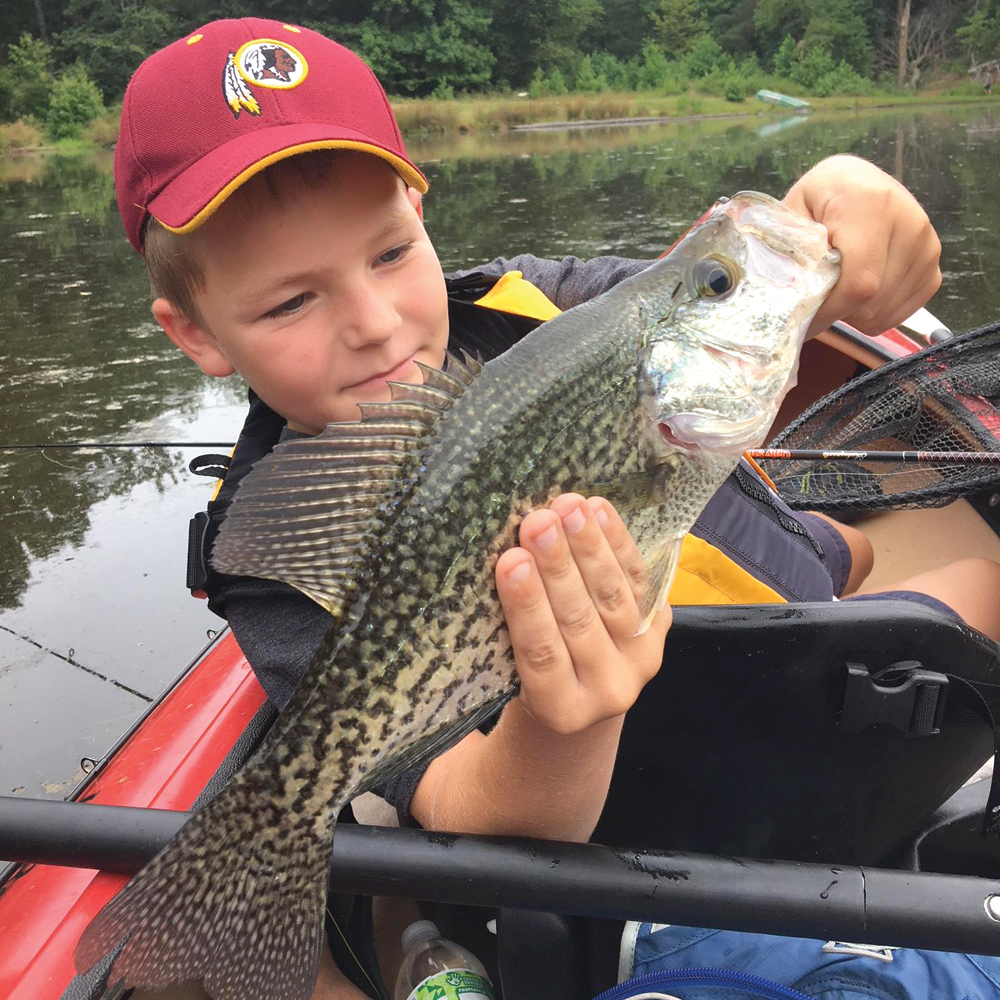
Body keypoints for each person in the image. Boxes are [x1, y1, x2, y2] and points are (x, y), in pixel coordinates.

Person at [108, 17, 999, 1000]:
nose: (372, 323)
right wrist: (561, 723)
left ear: (419, 206)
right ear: (194, 330)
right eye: (290, 304)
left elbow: (711, 289)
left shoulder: (554, 308)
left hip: (791, 609)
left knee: (920, 568)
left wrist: (844, 195)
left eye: (392, 252)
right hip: (680, 763)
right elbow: (464, 808)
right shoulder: (277, 567)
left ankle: (828, 556)